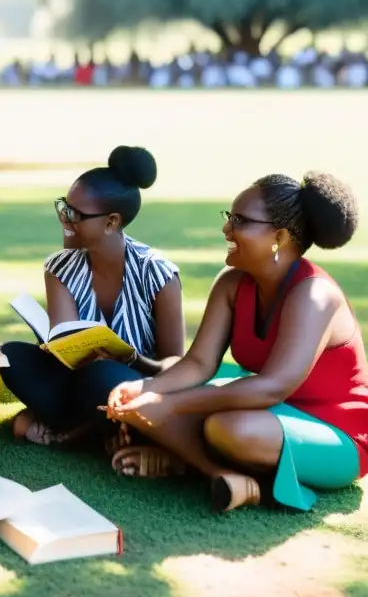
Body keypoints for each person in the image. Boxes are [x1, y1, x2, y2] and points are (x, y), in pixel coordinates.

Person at [107, 172, 368, 513]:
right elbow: (198, 363)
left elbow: (271, 388)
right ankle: (218, 473)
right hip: (265, 410)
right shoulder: (232, 283)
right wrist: (146, 388)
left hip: (337, 434)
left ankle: (222, 471)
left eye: (241, 221)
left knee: (229, 427)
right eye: (229, 218)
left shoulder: (314, 295)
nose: (226, 230)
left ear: (280, 236)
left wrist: (171, 404)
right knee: (154, 395)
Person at [0, 147, 186, 475]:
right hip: (79, 383)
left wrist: (130, 360)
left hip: (136, 387)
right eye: (64, 208)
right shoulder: (59, 268)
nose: (64, 219)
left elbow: (175, 365)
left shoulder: (157, 272)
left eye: (75, 215)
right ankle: (101, 431)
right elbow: (65, 340)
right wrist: (54, 347)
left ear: (112, 222)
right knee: (11, 355)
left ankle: (76, 432)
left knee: (102, 376)